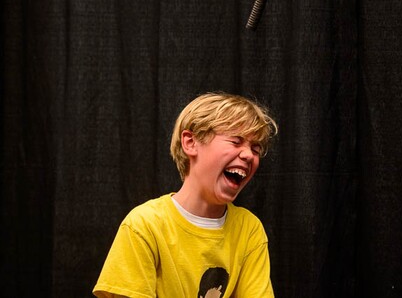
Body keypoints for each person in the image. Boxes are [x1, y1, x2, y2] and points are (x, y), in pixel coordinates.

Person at [93, 92, 278, 298]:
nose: (248, 155)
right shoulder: (144, 225)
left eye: (256, 148)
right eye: (236, 141)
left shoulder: (249, 230)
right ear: (190, 142)